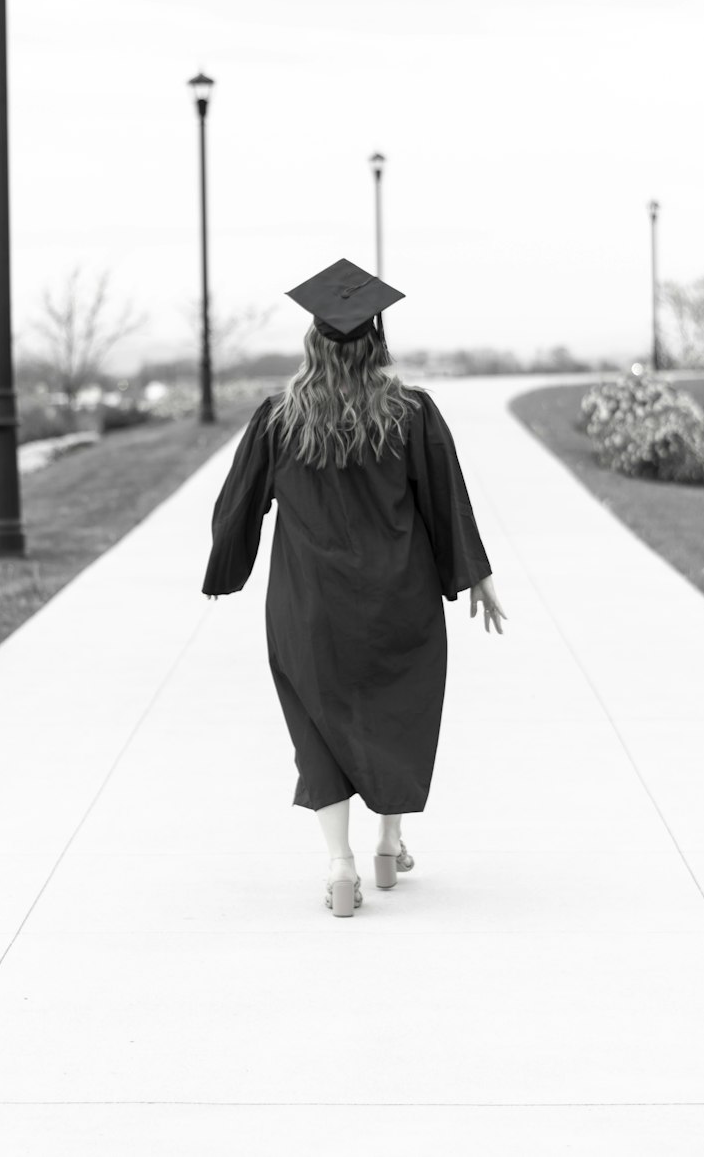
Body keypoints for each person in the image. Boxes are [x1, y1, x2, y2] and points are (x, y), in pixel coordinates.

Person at [202, 257, 507, 917]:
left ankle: (340, 866)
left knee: (318, 726)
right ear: (378, 343)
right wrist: (475, 576)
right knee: (397, 711)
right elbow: (446, 502)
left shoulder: (278, 420)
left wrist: (227, 567)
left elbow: (236, 507)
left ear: (313, 341)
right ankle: (390, 844)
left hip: (308, 605)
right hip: (398, 600)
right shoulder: (413, 414)